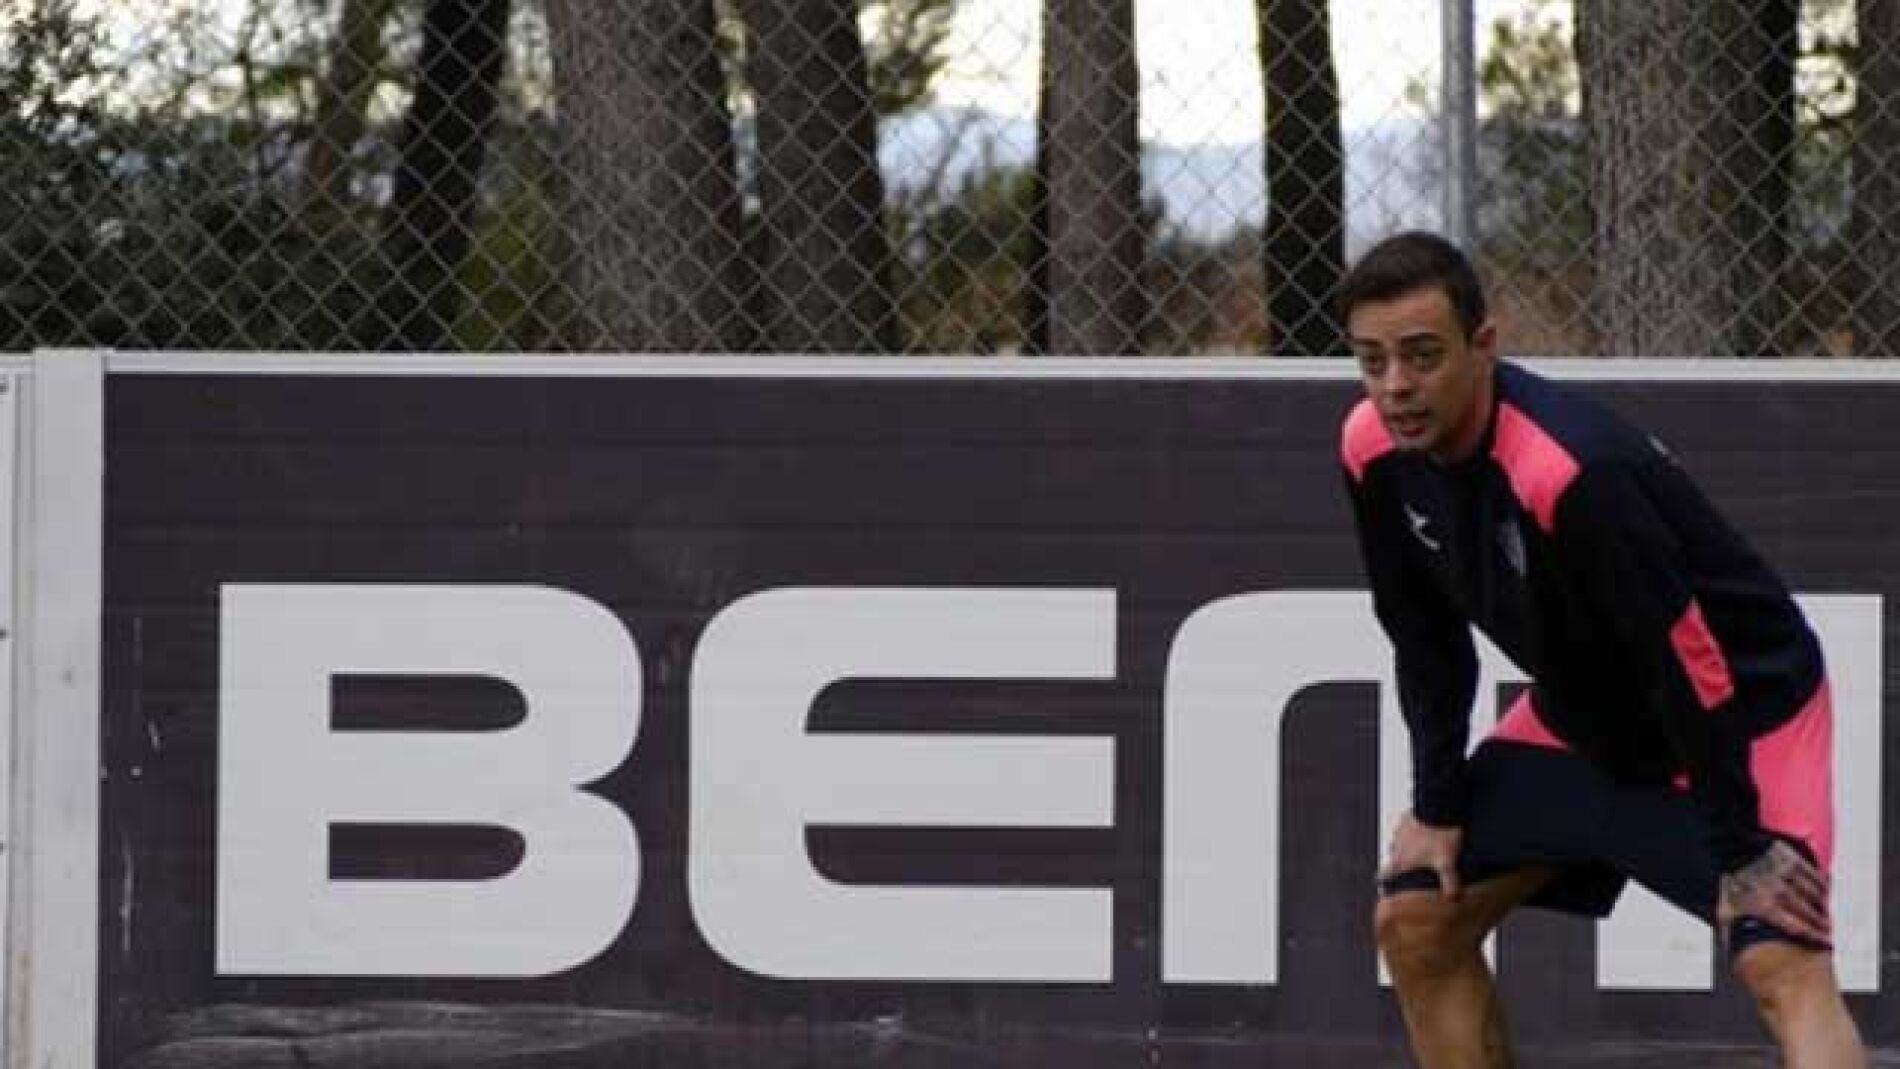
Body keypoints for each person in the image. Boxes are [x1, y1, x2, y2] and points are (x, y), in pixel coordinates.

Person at [1337, 231, 1867, 1068]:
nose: (1396, 387)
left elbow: (1688, 657)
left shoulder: (1569, 471)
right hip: (1585, 719)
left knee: (1780, 961)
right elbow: (1423, 632)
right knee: (1415, 919)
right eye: (1371, 361)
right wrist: (1438, 802)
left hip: (1741, 715)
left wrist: (1739, 848)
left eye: (1422, 356)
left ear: (1484, 345)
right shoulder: (1372, 447)